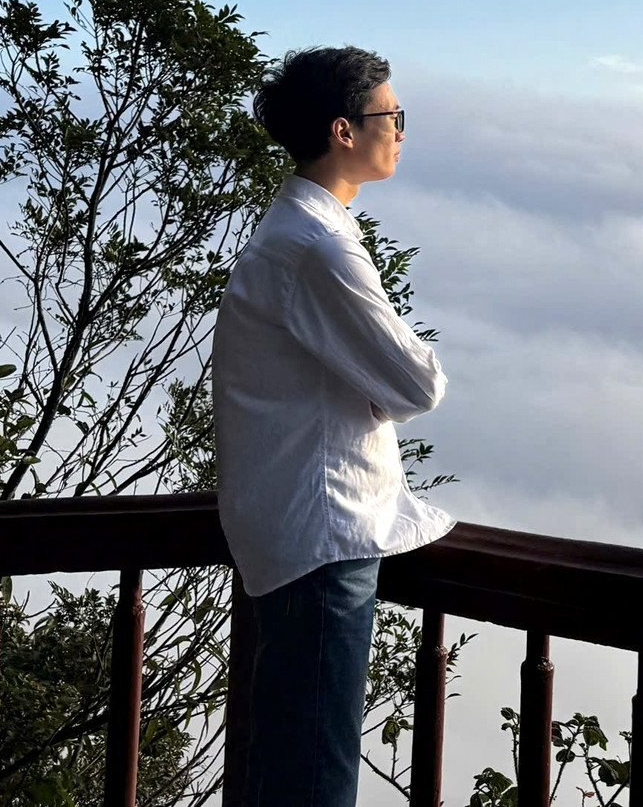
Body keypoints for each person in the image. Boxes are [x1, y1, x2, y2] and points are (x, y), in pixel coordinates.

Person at [211, 45, 452, 807]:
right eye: (392, 115)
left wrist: (370, 385)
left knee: (291, 767)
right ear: (344, 131)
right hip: (325, 542)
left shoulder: (295, 230)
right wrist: (378, 388)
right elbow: (417, 383)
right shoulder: (319, 248)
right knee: (313, 782)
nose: (401, 131)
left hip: (294, 535)